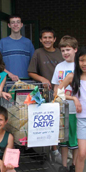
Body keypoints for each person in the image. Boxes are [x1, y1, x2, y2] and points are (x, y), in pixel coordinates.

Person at [28, 27, 63, 163]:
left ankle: (64, 147)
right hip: (45, 93)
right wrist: (42, 79)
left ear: (54, 39)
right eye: (45, 38)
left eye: (50, 37)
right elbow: (31, 71)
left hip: (61, 92)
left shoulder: (61, 53)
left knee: (62, 120)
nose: (47, 40)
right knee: (50, 121)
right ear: (40, 40)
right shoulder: (38, 53)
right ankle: (54, 149)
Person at [52, 35, 79, 172]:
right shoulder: (59, 67)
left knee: (74, 140)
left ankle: (73, 165)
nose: (65, 53)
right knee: (63, 140)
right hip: (62, 109)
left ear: (75, 49)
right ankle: (63, 166)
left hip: (75, 109)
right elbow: (56, 87)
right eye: (63, 50)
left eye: (68, 49)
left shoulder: (79, 66)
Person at [0, 15, 35, 80]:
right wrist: (10, 74)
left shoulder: (28, 42)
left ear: (21, 25)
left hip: (25, 81)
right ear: (9, 25)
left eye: (18, 22)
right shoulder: (2, 42)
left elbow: (34, 63)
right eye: (13, 22)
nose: (15, 24)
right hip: (7, 81)